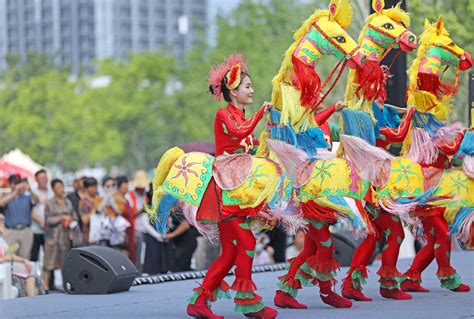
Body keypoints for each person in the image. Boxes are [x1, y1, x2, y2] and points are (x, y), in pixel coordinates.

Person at [186, 54, 277, 319]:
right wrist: (262, 112)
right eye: (247, 87)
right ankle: (248, 302)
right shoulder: (223, 114)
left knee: (229, 253)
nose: (251, 91)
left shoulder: (239, 113)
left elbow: (246, 141)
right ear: (233, 91)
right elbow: (238, 133)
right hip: (226, 188)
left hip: (238, 185)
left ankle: (200, 301)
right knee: (246, 241)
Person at [42, 179, 77, 292]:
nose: (61, 190)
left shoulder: (68, 202)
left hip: (65, 237)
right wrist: (61, 218)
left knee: (65, 263)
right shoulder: (49, 203)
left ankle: (65, 285)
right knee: (48, 263)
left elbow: (74, 217)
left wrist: (70, 220)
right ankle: (45, 286)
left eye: (61, 187)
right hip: (52, 238)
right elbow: (48, 220)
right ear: (53, 189)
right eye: (58, 188)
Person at [0, 175, 39, 259]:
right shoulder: (7, 196)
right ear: (10, 184)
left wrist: (30, 189)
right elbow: (1, 203)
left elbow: (36, 200)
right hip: (10, 231)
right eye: (15, 183)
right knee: (7, 257)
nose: (18, 185)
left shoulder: (27, 197)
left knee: (25, 258)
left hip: (26, 231)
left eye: (19, 182)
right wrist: (15, 192)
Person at [126, 170, 149, 269]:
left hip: (147, 228)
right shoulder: (129, 196)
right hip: (136, 229)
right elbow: (129, 215)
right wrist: (142, 210)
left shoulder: (146, 195)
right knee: (137, 254)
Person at [166, 207, 199, 272]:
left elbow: (186, 224)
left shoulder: (180, 210)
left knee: (178, 266)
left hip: (187, 241)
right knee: (179, 265)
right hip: (180, 242)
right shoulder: (172, 212)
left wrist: (170, 235)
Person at [30, 169, 51, 262]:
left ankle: (50, 277)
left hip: (49, 229)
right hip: (35, 229)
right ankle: (33, 276)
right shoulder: (33, 193)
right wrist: (40, 222)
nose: (44, 180)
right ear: (36, 180)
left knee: (49, 256)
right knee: (34, 255)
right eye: (41, 178)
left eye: (45, 177)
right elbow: (29, 210)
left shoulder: (51, 192)